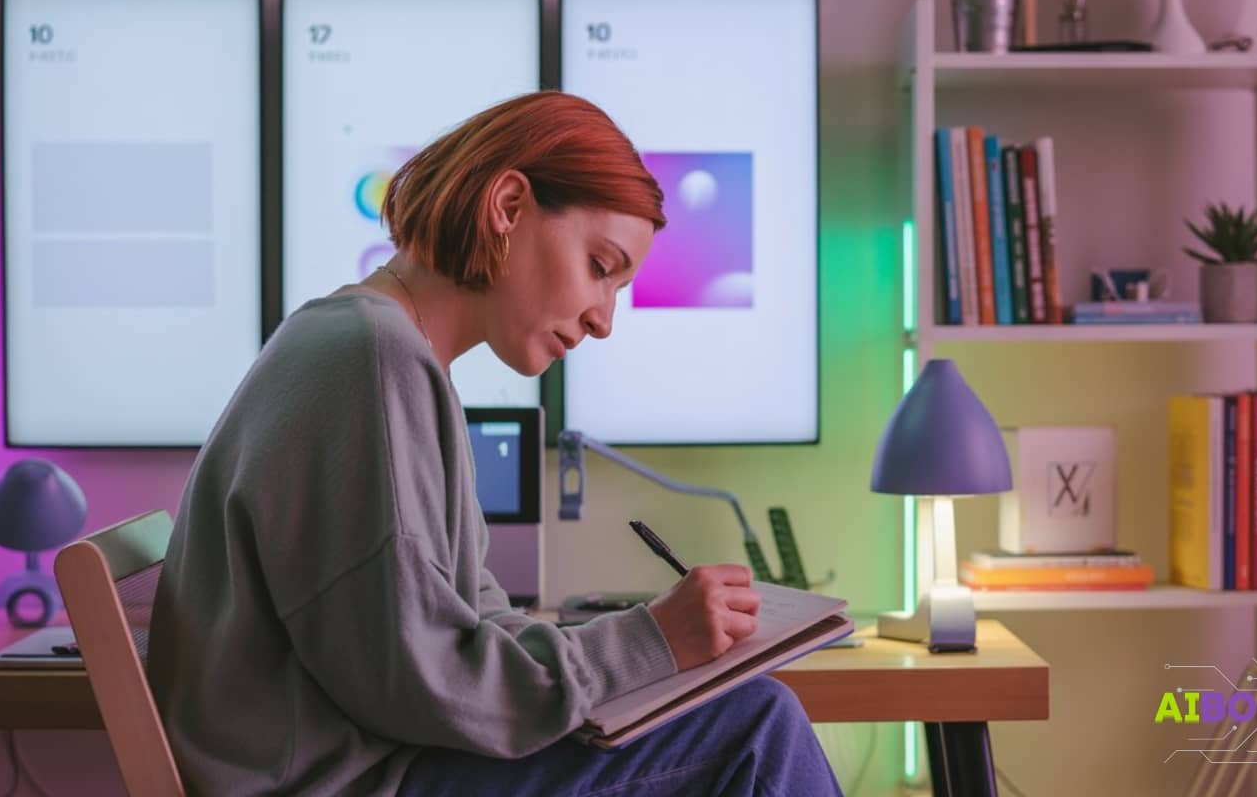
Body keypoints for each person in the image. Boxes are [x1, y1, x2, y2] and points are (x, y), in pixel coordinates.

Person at [147, 91, 842, 796]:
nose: (604, 321)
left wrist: (645, 649)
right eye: (601, 267)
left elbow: (466, 626)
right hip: (361, 782)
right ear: (509, 207)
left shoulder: (380, 348)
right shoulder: (370, 357)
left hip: (379, 767)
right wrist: (650, 641)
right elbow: (424, 680)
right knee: (757, 726)